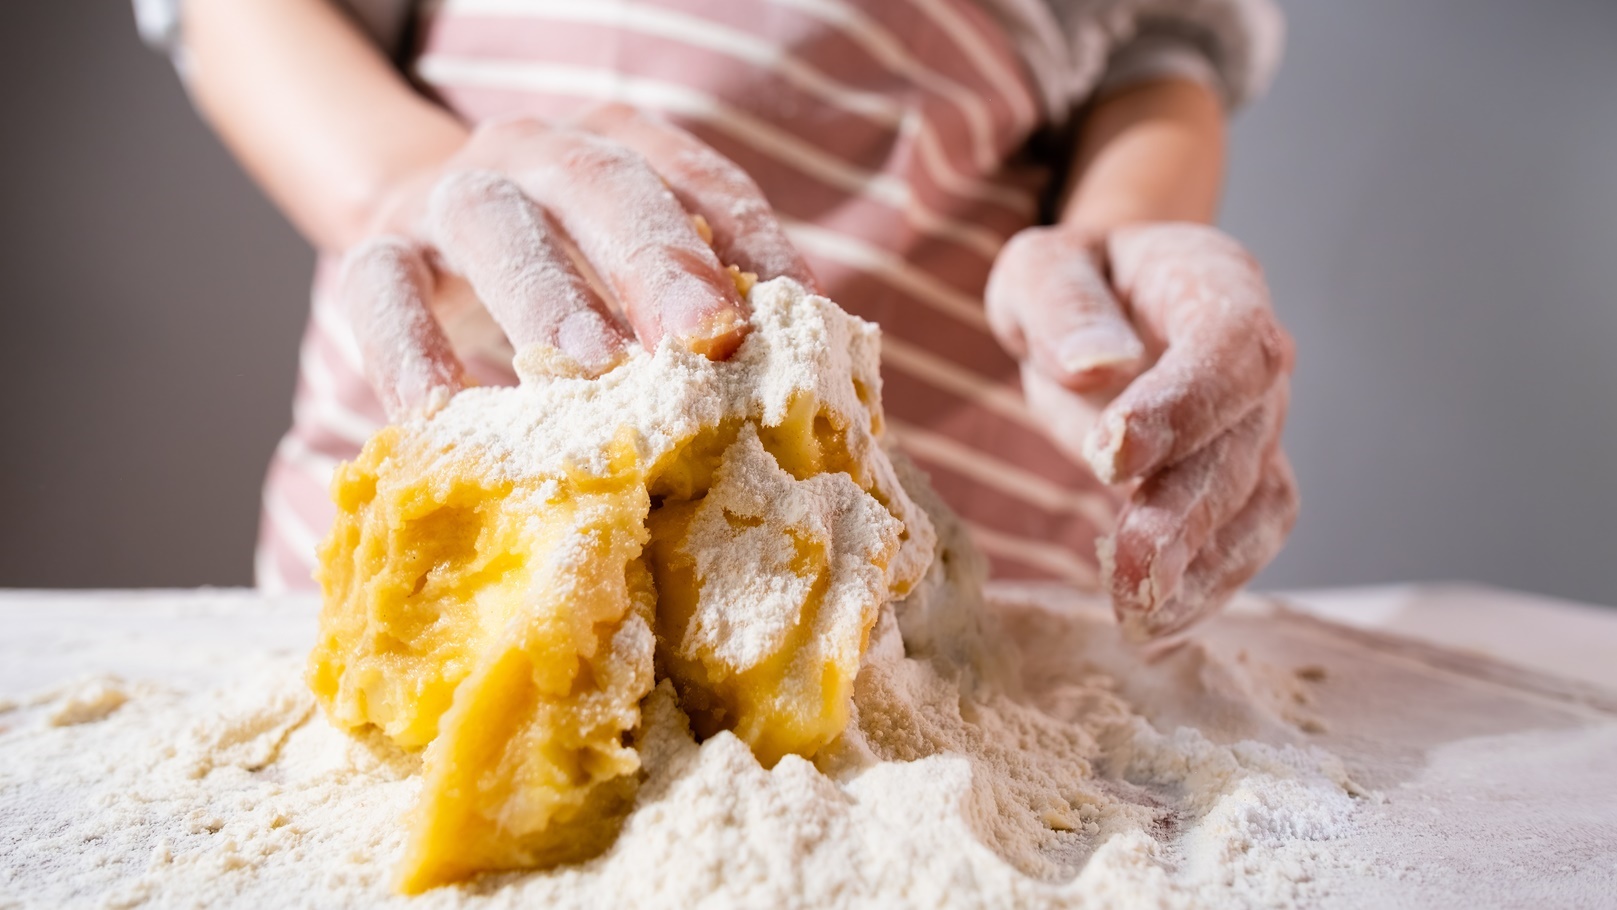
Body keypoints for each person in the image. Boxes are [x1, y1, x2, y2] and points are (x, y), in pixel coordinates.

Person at [135, 0, 1296, 638]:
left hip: (930, 580)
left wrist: (1116, 234)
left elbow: (1161, 47)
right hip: (468, 447)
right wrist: (401, 181)